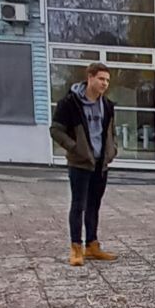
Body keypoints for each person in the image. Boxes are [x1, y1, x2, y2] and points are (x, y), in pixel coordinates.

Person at [52, 62, 118, 266]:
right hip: (80, 163)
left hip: (100, 164)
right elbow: (56, 130)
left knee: (94, 205)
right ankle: (76, 248)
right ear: (89, 77)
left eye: (107, 80)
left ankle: (92, 245)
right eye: (101, 79)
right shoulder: (70, 103)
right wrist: (74, 147)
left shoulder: (107, 105)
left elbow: (110, 132)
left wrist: (112, 150)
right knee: (78, 205)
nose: (104, 83)